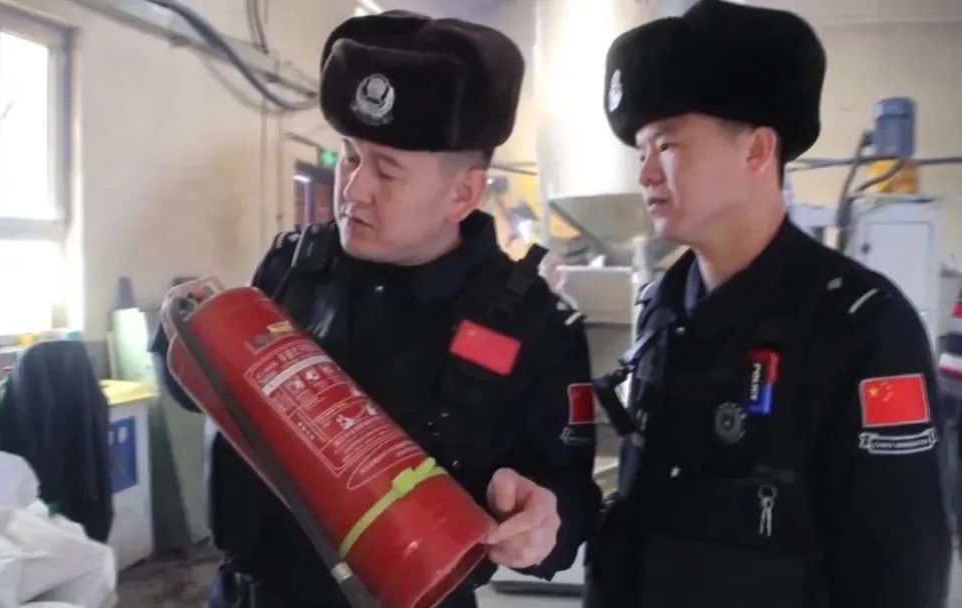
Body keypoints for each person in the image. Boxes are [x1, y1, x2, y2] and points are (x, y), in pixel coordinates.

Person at [152, 10, 601, 608]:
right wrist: (182, 339)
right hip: (245, 594)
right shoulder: (293, 267)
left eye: (387, 171)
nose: (353, 189)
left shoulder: (533, 325)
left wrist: (544, 523)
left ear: (463, 192)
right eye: (350, 156)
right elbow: (216, 398)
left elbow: (571, 498)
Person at [584, 1, 951, 607]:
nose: (645, 172)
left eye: (667, 144)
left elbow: (899, 568)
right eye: (640, 149)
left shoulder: (863, 328)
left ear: (756, 151)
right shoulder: (664, 309)